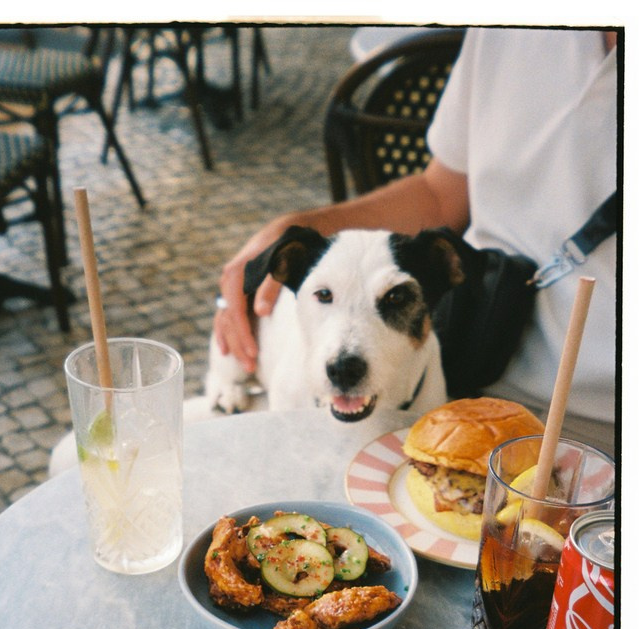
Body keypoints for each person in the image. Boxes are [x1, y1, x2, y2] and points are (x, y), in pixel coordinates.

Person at [213, 27, 618, 456]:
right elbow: (440, 194)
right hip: (473, 369)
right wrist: (296, 225)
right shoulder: (506, 26)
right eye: (324, 295)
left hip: (602, 422)